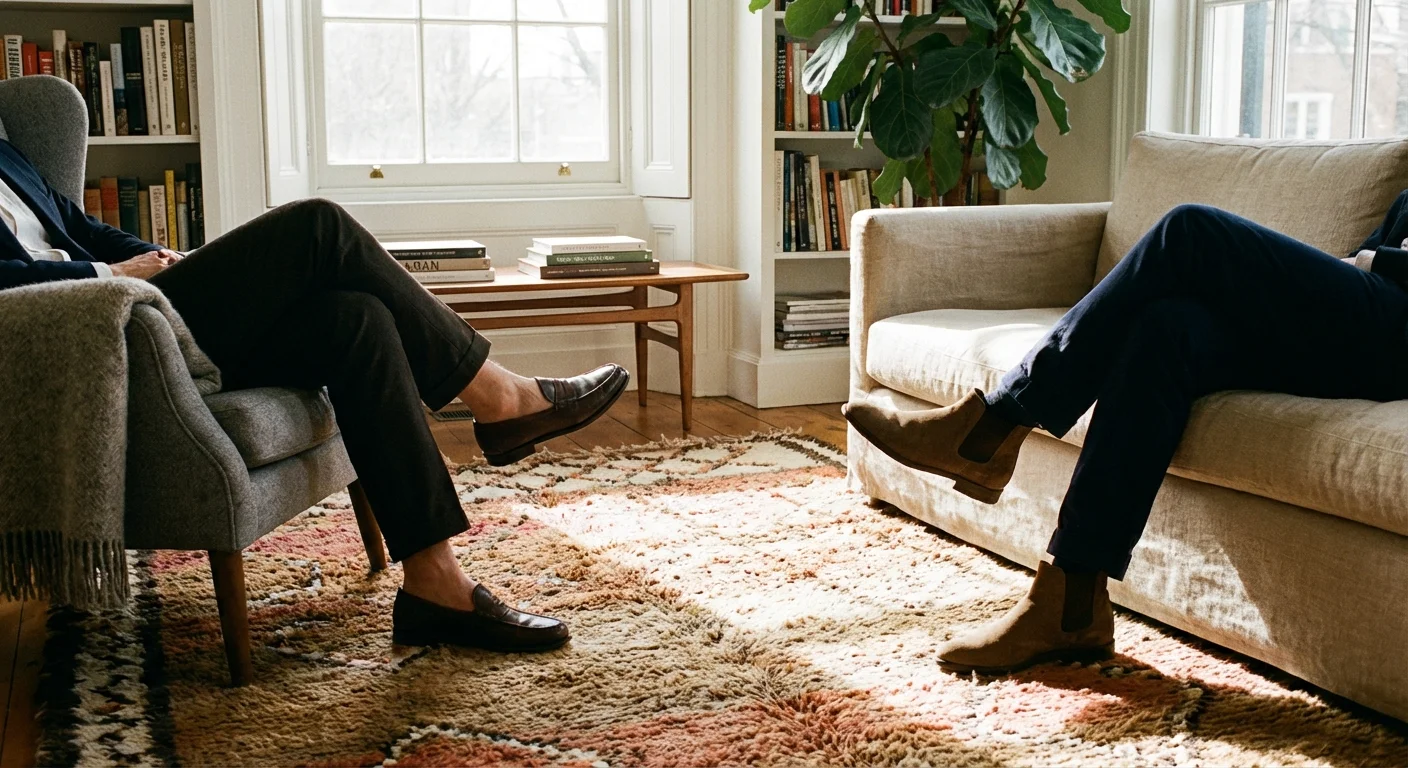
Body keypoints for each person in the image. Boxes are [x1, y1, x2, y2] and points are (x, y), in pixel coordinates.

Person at [0, 137, 632, 653]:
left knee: (356, 318)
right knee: (318, 224)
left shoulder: (9, 146)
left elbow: (83, 227)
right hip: (92, 330)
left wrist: (162, 257)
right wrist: (112, 275)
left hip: (147, 307)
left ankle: (433, 584)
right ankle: (498, 399)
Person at [844, 197, 1408, 673]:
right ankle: (1071, 602)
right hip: (1363, 326)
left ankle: (991, 428)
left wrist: (1360, 262)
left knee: (1191, 230)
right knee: (1164, 329)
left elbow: (1379, 268)